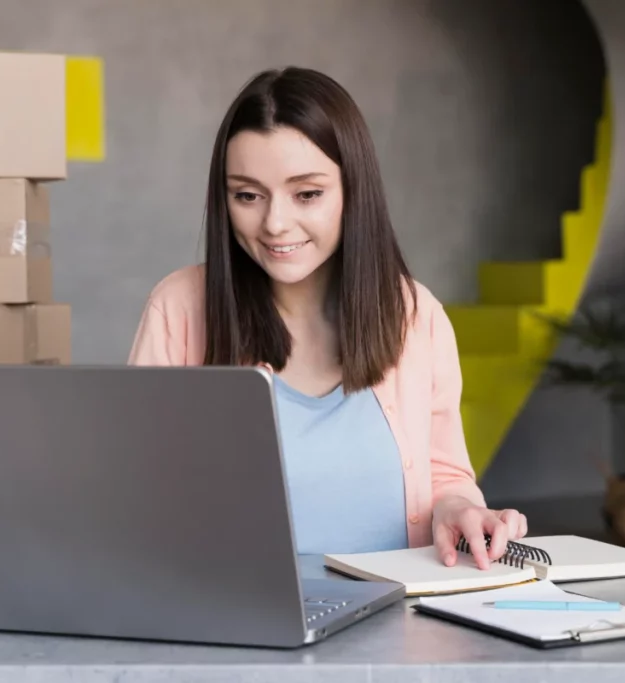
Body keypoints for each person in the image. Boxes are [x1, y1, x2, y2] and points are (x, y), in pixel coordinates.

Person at [127, 66, 527, 570]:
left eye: (307, 194)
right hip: (242, 626)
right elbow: (139, 492)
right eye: (247, 195)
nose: (274, 223)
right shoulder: (180, 309)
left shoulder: (415, 315)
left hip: (399, 627)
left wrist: (463, 511)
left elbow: (445, 474)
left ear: (352, 191)